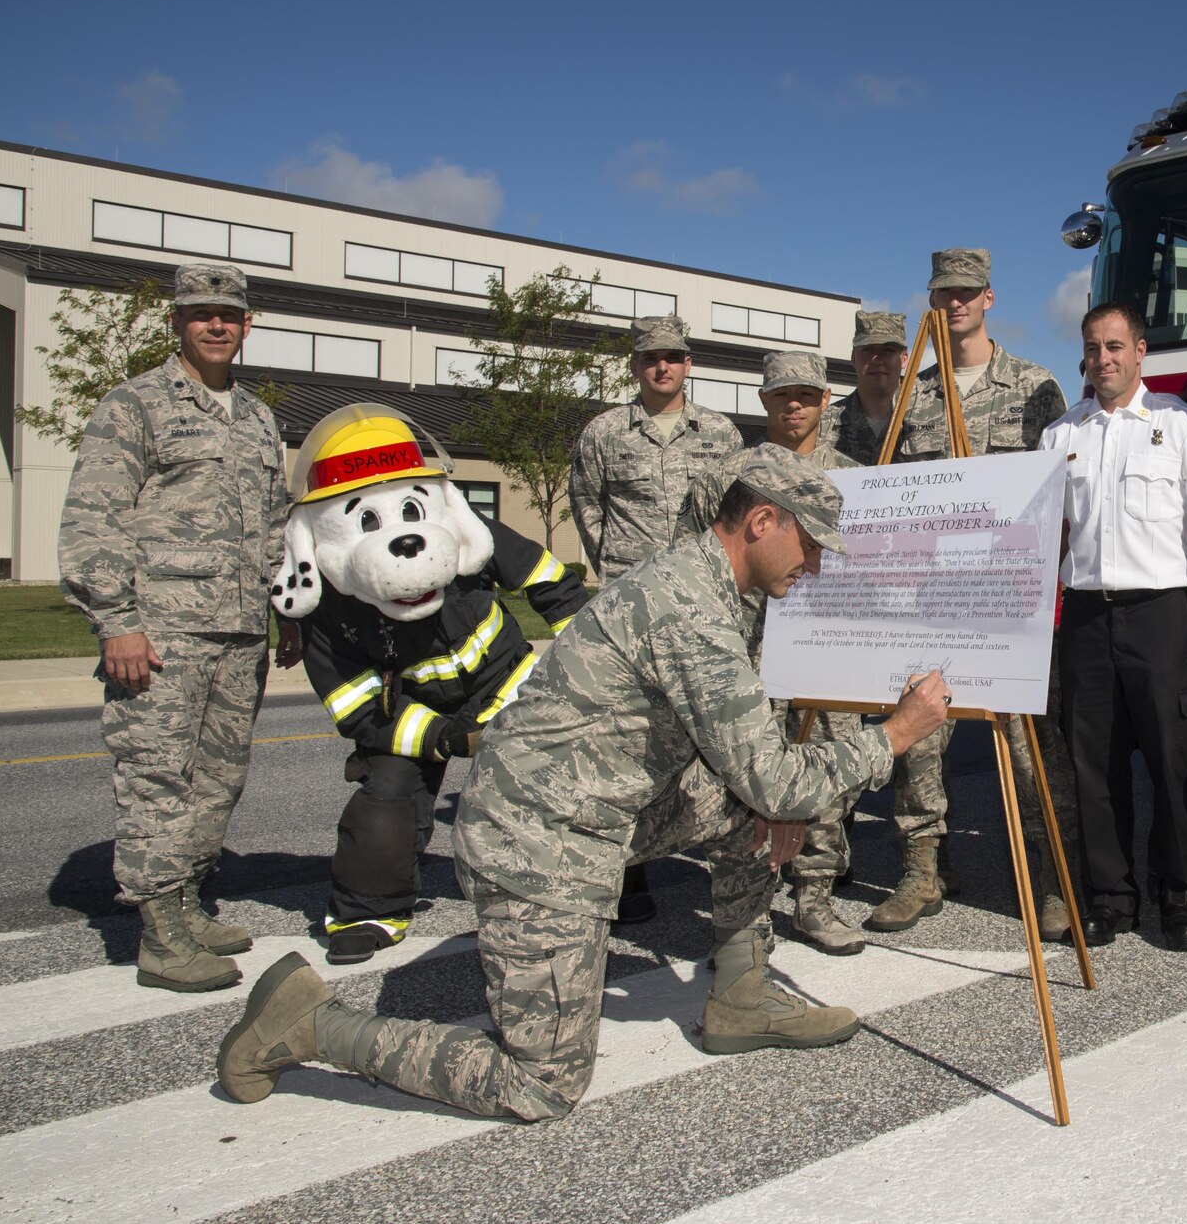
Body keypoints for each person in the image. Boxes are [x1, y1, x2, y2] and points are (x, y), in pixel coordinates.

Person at [218, 447, 955, 1121]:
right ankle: (309, 1023)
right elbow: (780, 776)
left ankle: (739, 995)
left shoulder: (704, 581)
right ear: (762, 520)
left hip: (589, 808)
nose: (817, 564)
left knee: (744, 805)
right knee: (540, 1083)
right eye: (812, 543)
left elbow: (751, 764)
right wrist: (895, 732)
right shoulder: (692, 610)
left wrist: (767, 796)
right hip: (536, 841)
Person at [272, 407, 589, 964]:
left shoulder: (465, 531)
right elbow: (354, 703)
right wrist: (438, 737)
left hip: (507, 682)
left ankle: (599, 887)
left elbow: (549, 583)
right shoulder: (324, 602)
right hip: (413, 710)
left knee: (573, 779)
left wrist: (589, 660)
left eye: (410, 508)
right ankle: (368, 908)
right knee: (387, 794)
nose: (406, 539)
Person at [58, 263, 290, 992]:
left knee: (217, 778)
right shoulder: (135, 405)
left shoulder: (256, 416)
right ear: (178, 324)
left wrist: (280, 605)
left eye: (228, 313)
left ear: (248, 325)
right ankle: (159, 933)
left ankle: (189, 899)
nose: (215, 324)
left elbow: (274, 520)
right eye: (200, 313)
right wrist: (116, 621)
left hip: (240, 630)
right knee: (157, 775)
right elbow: (94, 519)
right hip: (161, 632)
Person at [870, 248, 1080, 941]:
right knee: (921, 738)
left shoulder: (1033, 386)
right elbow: (894, 494)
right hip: (932, 595)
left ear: (988, 298)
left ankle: (1053, 877)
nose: (954, 303)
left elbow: (1057, 494)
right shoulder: (916, 395)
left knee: (1028, 747)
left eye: (966, 292)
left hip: (1005, 597)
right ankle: (925, 866)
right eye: (942, 293)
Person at [1042, 302, 1187, 950]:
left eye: (1116, 346)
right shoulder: (1060, 436)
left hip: (1163, 613)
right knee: (1093, 765)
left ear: (1140, 350)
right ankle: (1109, 896)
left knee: (1170, 758)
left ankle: (1178, 892)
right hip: (1088, 617)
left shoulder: (1183, 425)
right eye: (1094, 348)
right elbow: (1054, 532)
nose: (1104, 359)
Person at [684, 351, 868, 955]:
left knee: (827, 773)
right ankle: (743, 923)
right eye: (782, 395)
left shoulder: (855, 477)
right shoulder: (725, 475)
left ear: (824, 401)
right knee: (743, 781)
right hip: (747, 652)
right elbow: (698, 559)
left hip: (827, 647)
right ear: (764, 401)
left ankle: (815, 898)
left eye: (807, 395)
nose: (794, 405)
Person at [569, 311, 742, 924]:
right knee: (627, 737)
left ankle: (726, 866)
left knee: (709, 734)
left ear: (688, 364)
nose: (662, 366)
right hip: (630, 609)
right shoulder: (604, 433)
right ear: (635, 365)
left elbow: (733, 516)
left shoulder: (720, 434)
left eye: (672, 356)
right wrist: (617, 570)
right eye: (650, 358)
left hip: (698, 603)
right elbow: (589, 505)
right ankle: (627, 872)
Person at [820, 309, 909, 467]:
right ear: (853, 358)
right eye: (867, 350)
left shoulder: (928, 416)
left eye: (888, 351)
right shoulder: (822, 425)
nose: (877, 360)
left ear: (904, 359)